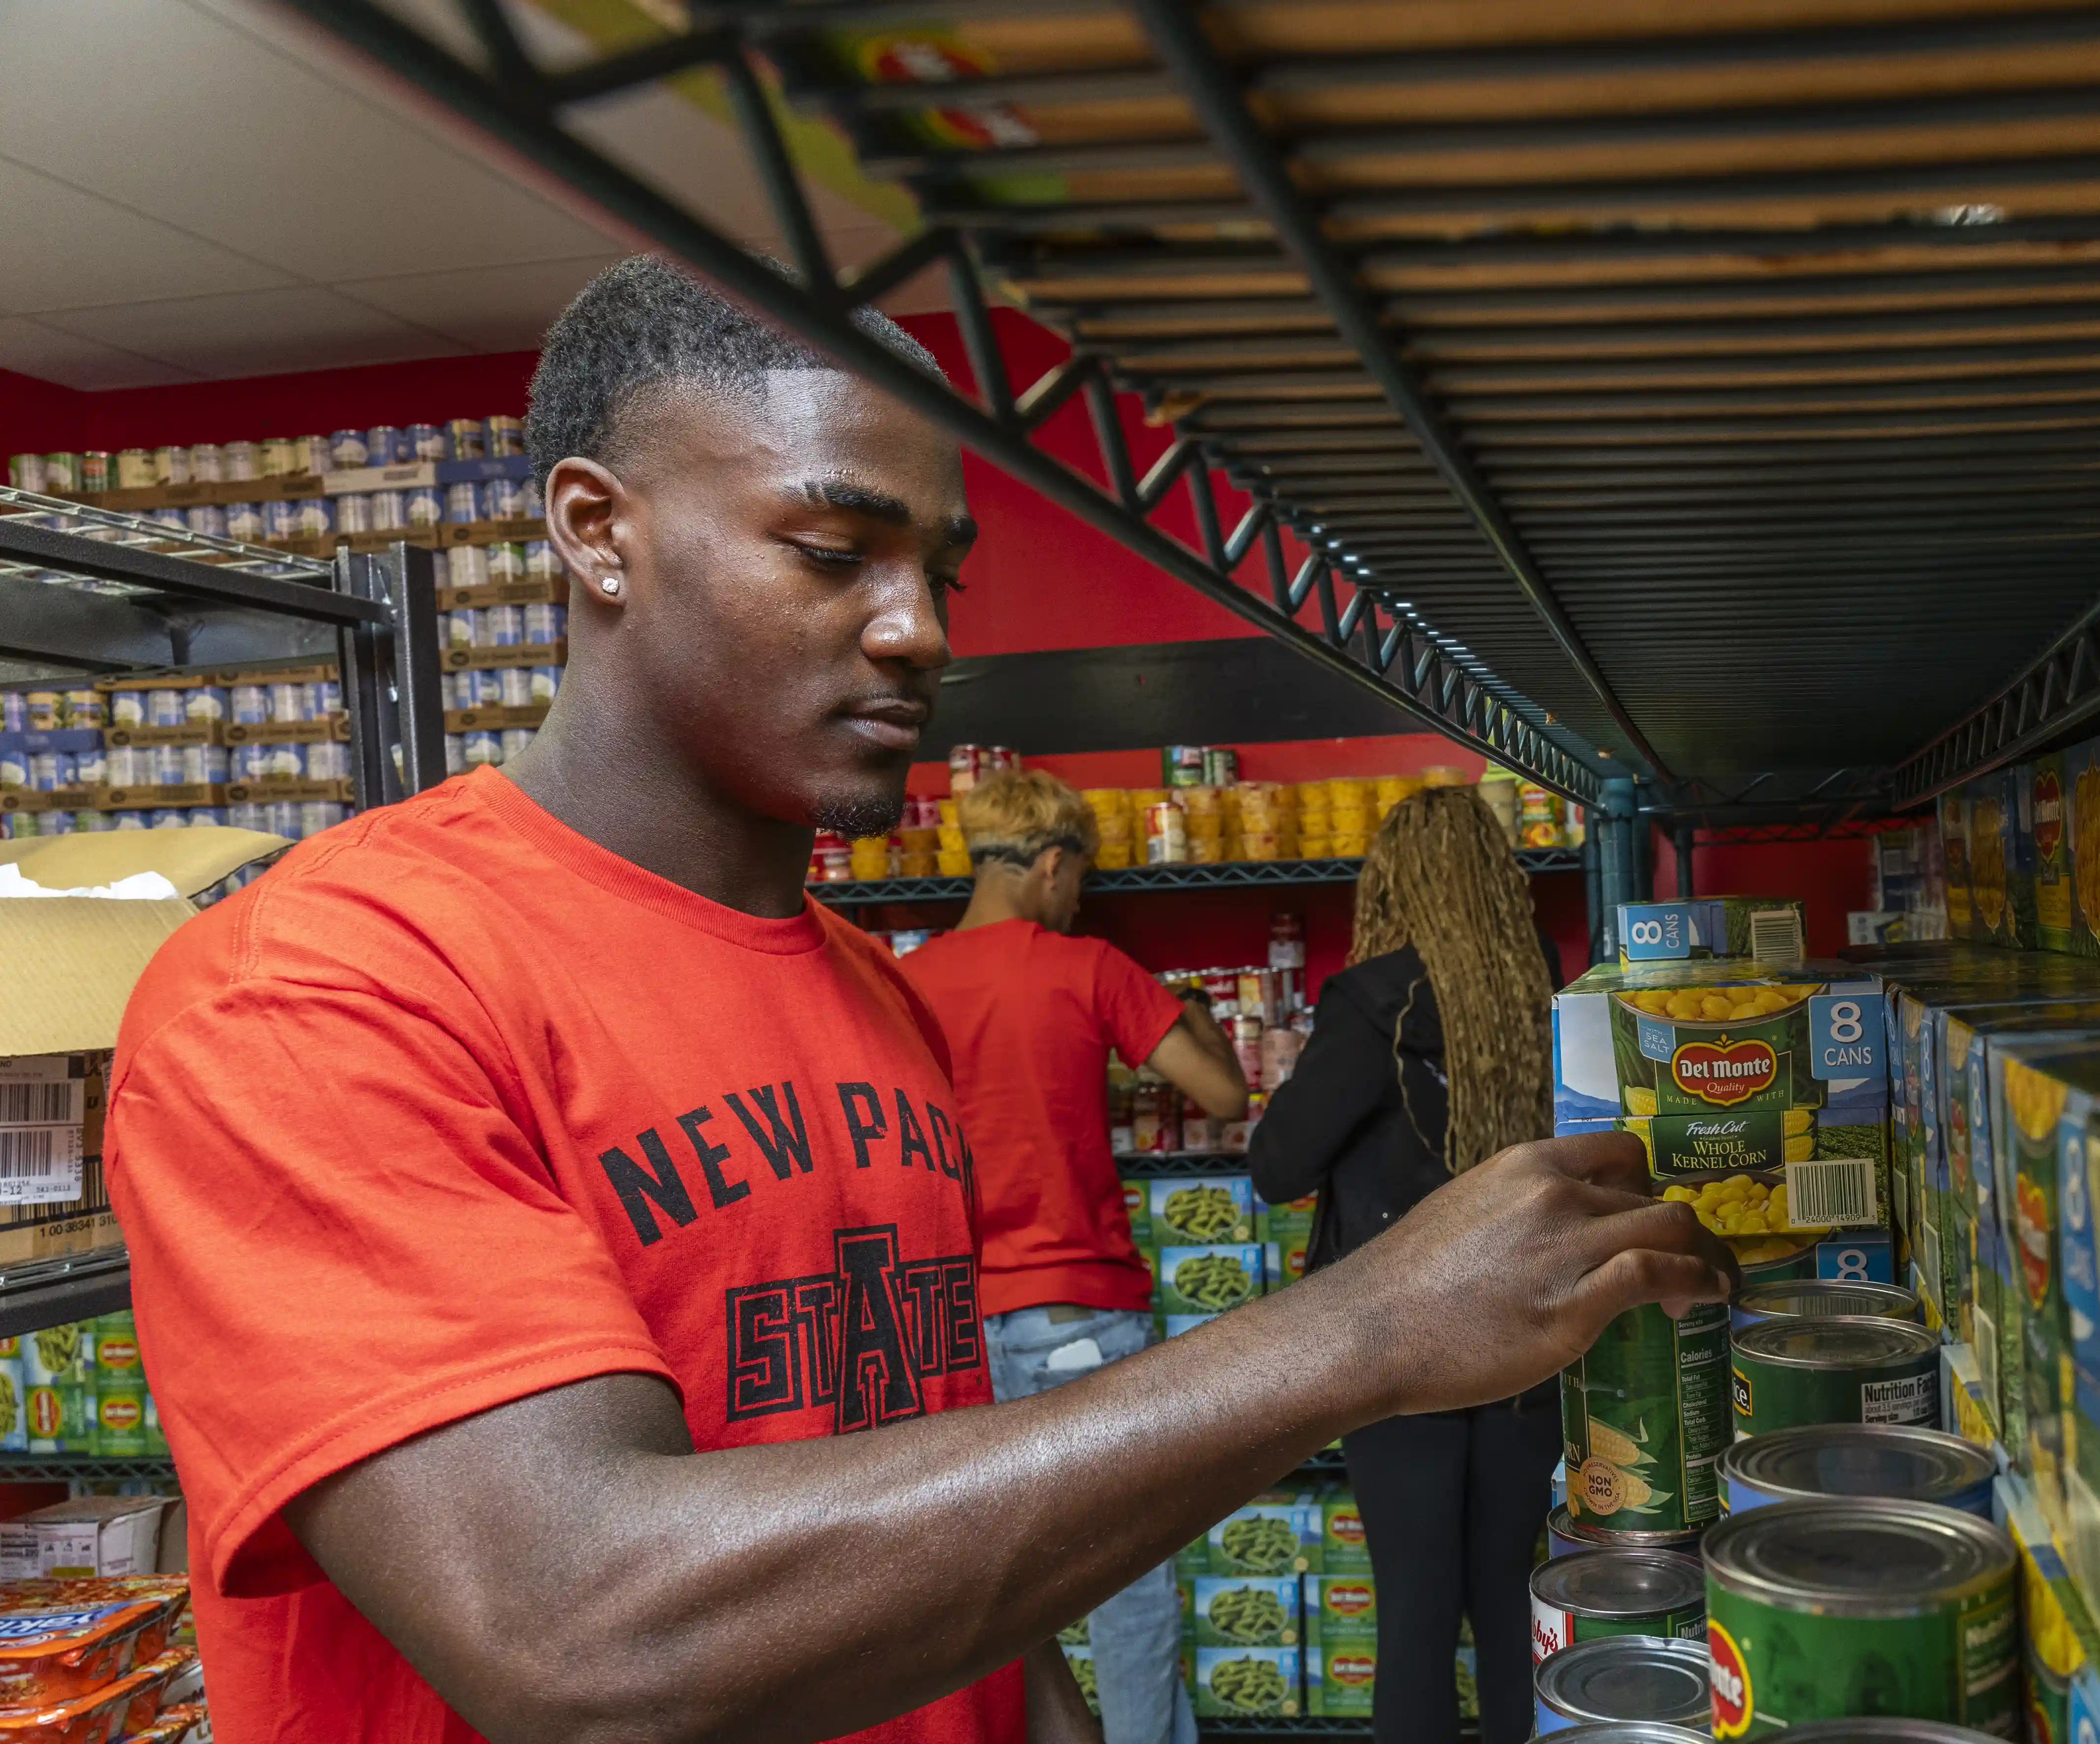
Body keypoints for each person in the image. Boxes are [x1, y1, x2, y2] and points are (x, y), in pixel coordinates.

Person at [102, 255, 1733, 1744]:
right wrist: (1359, 1333)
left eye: (941, 569)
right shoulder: (324, 986)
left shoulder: (876, 994)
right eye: (833, 553)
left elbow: (928, 1473)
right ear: (600, 533)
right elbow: (570, 1627)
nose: (919, 630)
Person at [896, 767, 1248, 1744]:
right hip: (1078, 1310)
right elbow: (1221, 1095)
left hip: (949, 1326)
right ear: (1050, 867)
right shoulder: (1086, 967)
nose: (1080, 899)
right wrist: (1191, 1010)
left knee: (989, 1583)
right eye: (1079, 879)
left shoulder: (902, 982)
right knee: (1124, 1576)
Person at [1247, 786, 1565, 1744]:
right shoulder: (1541, 979)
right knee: (1520, 1611)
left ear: (1394, 881)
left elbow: (1277, 1168)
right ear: (1497, 878)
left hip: (1400, 1347)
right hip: (1528, 1335)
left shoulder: (1373, 1000)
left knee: (1417, 1623)